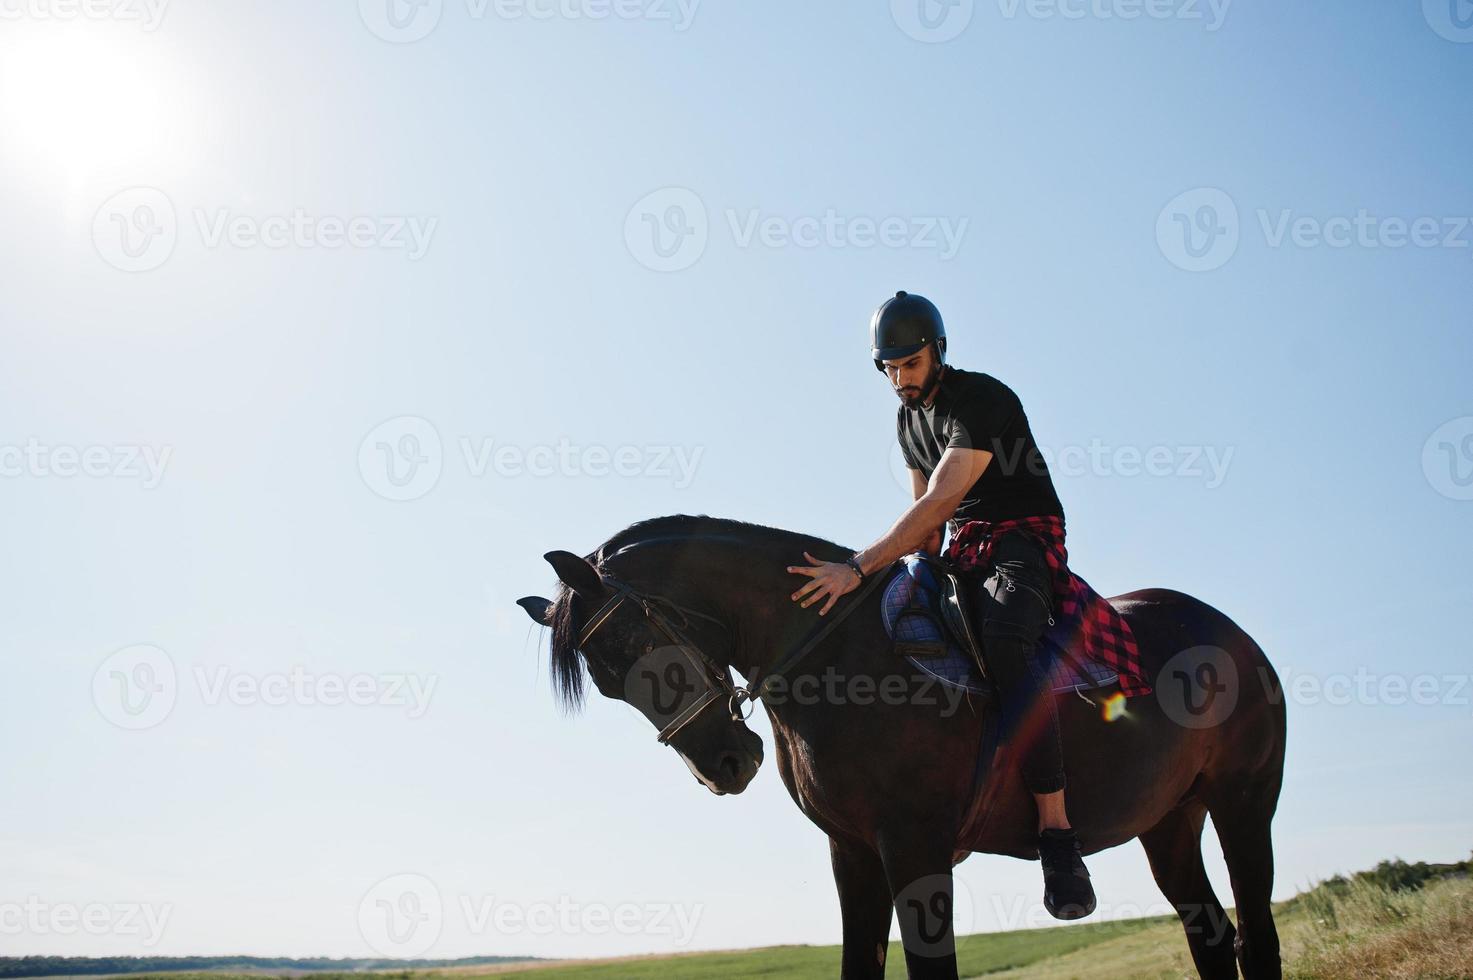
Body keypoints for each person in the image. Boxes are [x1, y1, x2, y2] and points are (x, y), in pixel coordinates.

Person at [785, 290, 1096, 920]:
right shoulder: (907, 424)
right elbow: (927, 535)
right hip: (961, 550)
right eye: (890, 369)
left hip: (1022, 539)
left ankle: (1057, 833)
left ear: (939, 351)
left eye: (911, 364)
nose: (900, 379)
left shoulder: (982, 399)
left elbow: (936, 506)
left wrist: (854, 567)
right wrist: (875, 583)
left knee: (1006, 642)